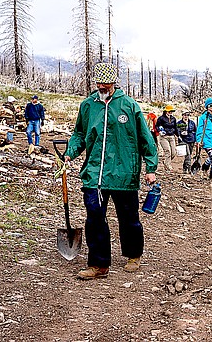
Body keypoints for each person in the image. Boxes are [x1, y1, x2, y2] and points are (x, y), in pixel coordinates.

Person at [64, 62, 158, 280]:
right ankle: (99, 265)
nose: (103, 86)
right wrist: (70, 152)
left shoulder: (129, 106)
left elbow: (146, 139)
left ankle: (134, 255)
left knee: (129, 218)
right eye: (99, 82)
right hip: (95, 174)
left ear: (114, 82)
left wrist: (150, 168)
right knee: (94, 218)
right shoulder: (88, 105)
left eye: (107, 83)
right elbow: (79, 134)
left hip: (124, 173)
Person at [196, 98, 212, 179]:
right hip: (206, 140)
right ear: (207, 107)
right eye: (210, 106)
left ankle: (211, 171)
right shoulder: (203, 117)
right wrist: (199, 140)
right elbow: (199, 130)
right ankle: (209, 168)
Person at [156, 105, 178, 171]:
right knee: (168, 151)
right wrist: (160, 131)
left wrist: (178, 136)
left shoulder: (173, 119)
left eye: (171, 111)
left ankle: (166, 162)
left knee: (173, 152)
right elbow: (157, 126)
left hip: (172, 136)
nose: (170, 112)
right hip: (164, 137)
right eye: (169, 111)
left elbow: (175, 127)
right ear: (166, 111)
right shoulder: (161, 118)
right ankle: (168, 165)